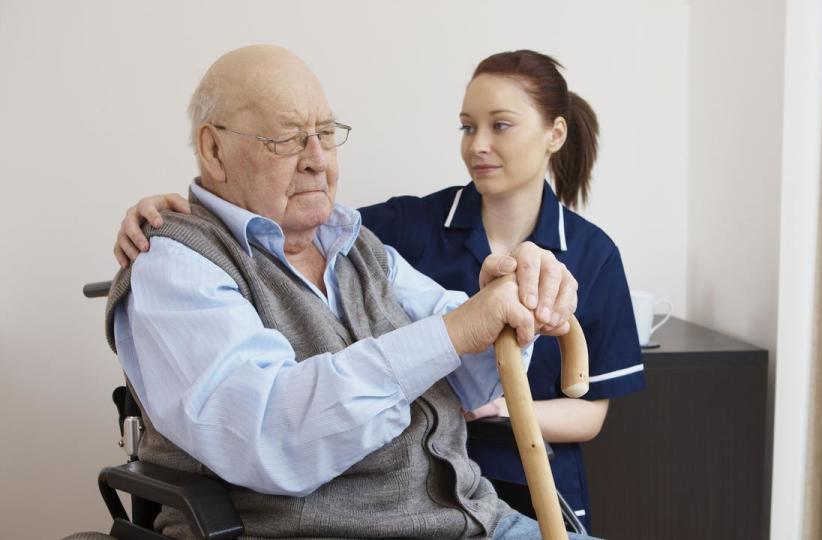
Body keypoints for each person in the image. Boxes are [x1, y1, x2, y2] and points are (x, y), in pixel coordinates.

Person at [115, 49, 644, 533]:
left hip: (472, 517)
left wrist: (505, 308)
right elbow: (272, 436)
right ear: (213, 148)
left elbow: (473, 379)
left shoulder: (358, 243)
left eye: (326, 133)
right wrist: (460, 327)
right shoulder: (176, 261)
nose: (317, 159)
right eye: (288, 138)